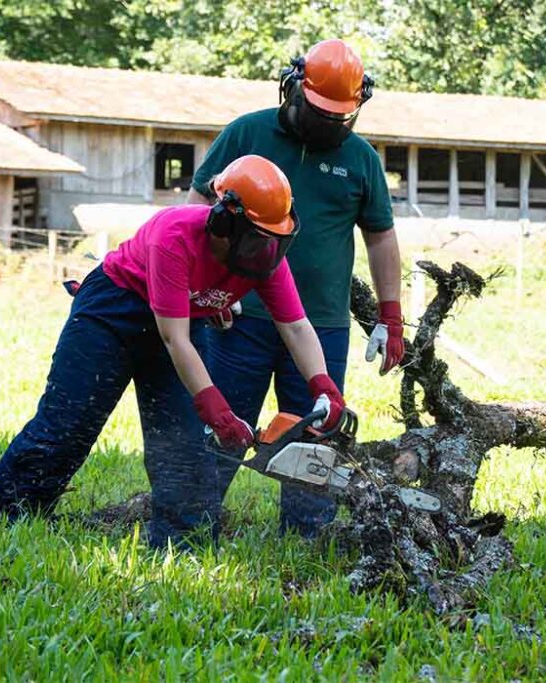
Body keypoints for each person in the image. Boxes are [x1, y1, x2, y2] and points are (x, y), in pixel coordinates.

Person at [0, 155, 346, 548]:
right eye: (256, 239)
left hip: (176, 324)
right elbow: (175, 339)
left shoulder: (265, 260)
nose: (264, 252)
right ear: (224, 220)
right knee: (68, 424)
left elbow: (296, 326)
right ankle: (2, 518)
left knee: (184, 443)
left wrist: (323, 387)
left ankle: (183, 543)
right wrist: (216, 410)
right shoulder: (175, 235)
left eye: (273, 241)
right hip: (113, 312)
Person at [172, 38, 405, 539]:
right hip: (239, 316)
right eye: (319, 111)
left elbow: (381, 235)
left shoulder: (361, 159)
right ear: (294, 88)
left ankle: (308, 534)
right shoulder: (247, 133)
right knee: (221, 425)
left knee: (315, 435)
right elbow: (194, 211)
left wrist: (391, 315)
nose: (327, 122)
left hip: (319, 324)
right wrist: (197, 291)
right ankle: (190, 526)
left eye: (337, 116)